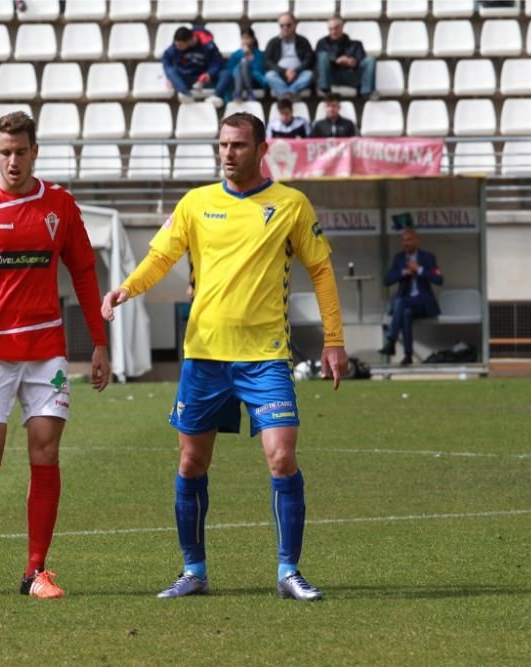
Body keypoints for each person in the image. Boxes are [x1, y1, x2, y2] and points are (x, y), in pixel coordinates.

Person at [101, 112, 348, 602]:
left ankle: (288, 572)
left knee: (282, 458)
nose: (228, 153)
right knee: (192, 462)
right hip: (205, 357)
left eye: (237, 145)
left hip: (266, 358)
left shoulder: (290, 205)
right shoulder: (196, 203)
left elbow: (320, 270)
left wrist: (334, 340)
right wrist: (126, 288)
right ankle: (193, 571)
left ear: (261, 149)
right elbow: (161, 258)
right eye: (222, 145)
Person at [0, 111, 111, 600]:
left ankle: (36, 571)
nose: (13, 161)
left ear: (35, 151)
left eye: (21, 151)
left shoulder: (59, 205)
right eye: (4, 152)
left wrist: (98, 343)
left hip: (46, 349)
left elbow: (83, 271)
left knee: (45, 451)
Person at [378, 229, 443, 366]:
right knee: (405, 313)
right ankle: (408, 355)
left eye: (409, 240)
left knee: (400, 302)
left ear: (416, 241)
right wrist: (404, 272)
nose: (405, 243)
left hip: (423, 303)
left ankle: (391, 339)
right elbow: (387, 280)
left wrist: (419, 269)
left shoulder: (427, 258)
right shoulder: (399, 258)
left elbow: (439, 279)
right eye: (403, 240)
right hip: (407, 304)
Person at [315, 17, 376, 99]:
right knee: (322, 56)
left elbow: (361, 59)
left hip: (351, 75)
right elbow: (318, 59)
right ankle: (325, 90)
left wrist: (352, 61)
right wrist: (336, 60)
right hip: (331, 76)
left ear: (342, 27)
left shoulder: (356, 44)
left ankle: (366, 92)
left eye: (336, 28)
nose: (333, 31)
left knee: (370, 59)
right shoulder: (322, 43)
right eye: (330, 29)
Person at [161, 26, 224, 105]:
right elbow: (166, 58)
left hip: (203, 79)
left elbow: (217, 62)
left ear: (190, 41)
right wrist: (169, 78)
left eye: (180, 45)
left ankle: (216, 96)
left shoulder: (208, 45)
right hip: (185, 77)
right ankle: (186, 94)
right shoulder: (176, 46)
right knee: (171, 72)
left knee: (225, 73)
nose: (177, 47)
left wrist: (209, 74)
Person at [263, 12, 315, 99]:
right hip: (280, 75)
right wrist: (284, 71)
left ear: (294, 25)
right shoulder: (273, 42)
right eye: (282, 25)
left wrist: (296, 71)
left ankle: (288, 93)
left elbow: (309, 59)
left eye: (288, 25)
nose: (285, 28)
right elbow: (267, 61)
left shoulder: (303, 41)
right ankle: (288, 94)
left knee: (309, 75)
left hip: (299, 74)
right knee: (270, 75)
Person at [214, 27, 266, 104]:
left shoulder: (260, 54)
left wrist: (248, 57)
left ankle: (238, 94)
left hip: (254, 81)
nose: (245, 41)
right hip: (237, 81)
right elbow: (230, 71)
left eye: (247, 38)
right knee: (240, 66)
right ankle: (248, 93)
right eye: (243, 38)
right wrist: (243, 60)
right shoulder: (236, 54)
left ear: (253, 39)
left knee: (244, 64)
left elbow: (260, 71)